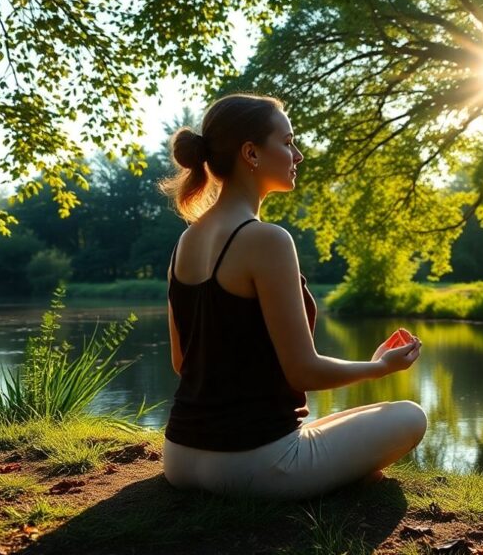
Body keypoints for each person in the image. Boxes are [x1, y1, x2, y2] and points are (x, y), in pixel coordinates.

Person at [159, 93, 428, 500]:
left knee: (347, 421)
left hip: (179, 457)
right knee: (410, 416)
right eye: (286, 142)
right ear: (250, 153)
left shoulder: (185, 243)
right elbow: (303, 372)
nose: (298, 155)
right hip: (255, 465)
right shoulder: (267, 240)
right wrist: (380, 368)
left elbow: (183, 363)